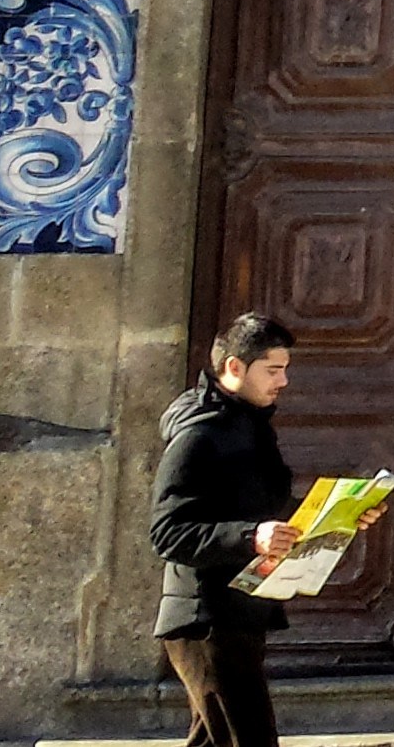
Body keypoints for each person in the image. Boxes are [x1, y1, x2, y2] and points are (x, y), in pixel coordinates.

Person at [151, 313, 299, 747]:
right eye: (273, 370)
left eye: (285, 369)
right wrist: (251, 537)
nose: (284, 381)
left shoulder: (252, 429)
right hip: (205, 619)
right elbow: (168, 532)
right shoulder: (199, 436)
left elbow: (263, 508)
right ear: (234, 368)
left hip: (242, 612)